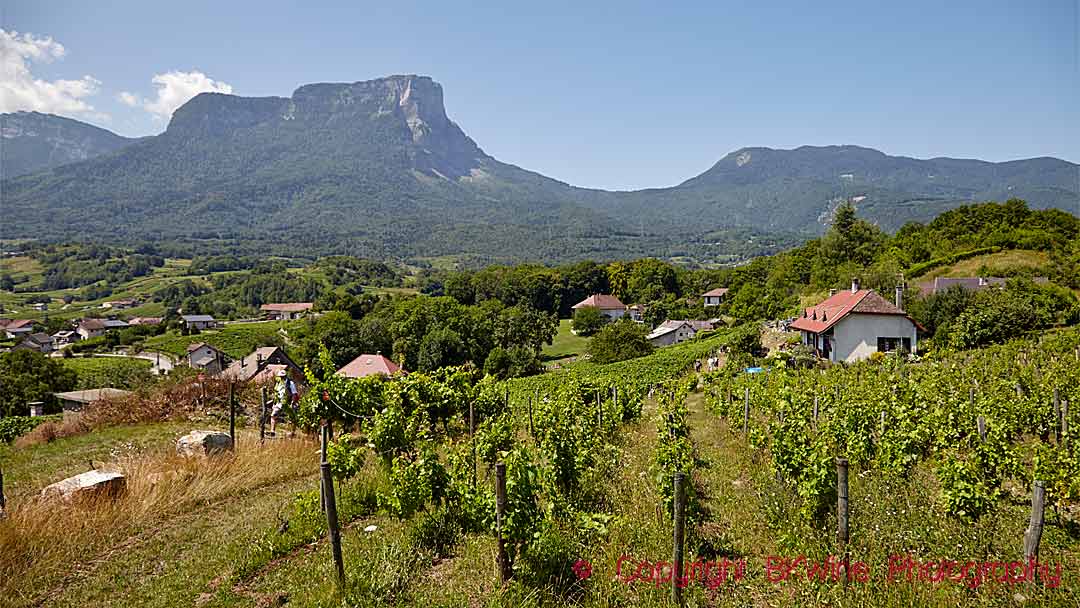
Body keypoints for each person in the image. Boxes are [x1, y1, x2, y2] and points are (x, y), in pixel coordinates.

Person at [270, 369, 297, 437]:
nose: (282, 378)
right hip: (279, 403)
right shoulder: (278, 383)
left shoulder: (290, 383)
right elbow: (276, 394)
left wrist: (292, 403)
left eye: (283, 376)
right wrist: (274, 403)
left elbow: (294, 394)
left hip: (288, 403)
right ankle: (272, 431)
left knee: (292, 418)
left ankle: (292, 432)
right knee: (273, 415)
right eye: (280, 376)